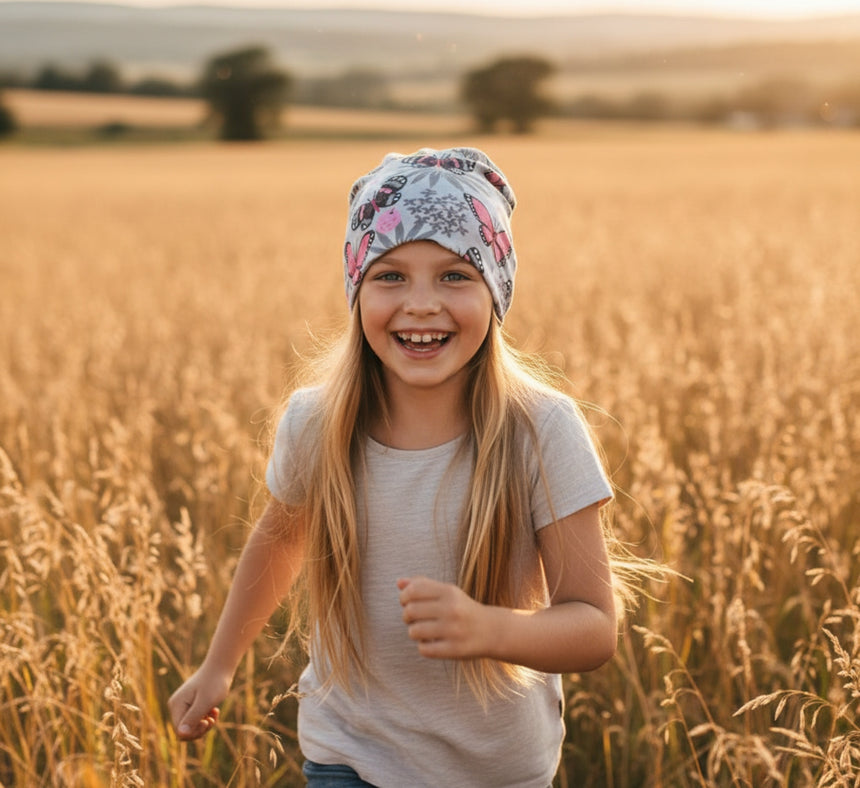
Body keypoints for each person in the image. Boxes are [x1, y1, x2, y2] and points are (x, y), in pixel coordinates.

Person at [169, 147, 623, 787]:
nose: (421, 304)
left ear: (496, 289)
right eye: (389, 276)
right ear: (356, 289)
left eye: (455, 276)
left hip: (495, 772)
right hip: (349, 756)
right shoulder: (318, 424)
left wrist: (489, 628)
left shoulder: (540, 431)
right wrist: (218, 666)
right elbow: (278, 542)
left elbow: (594, 628)